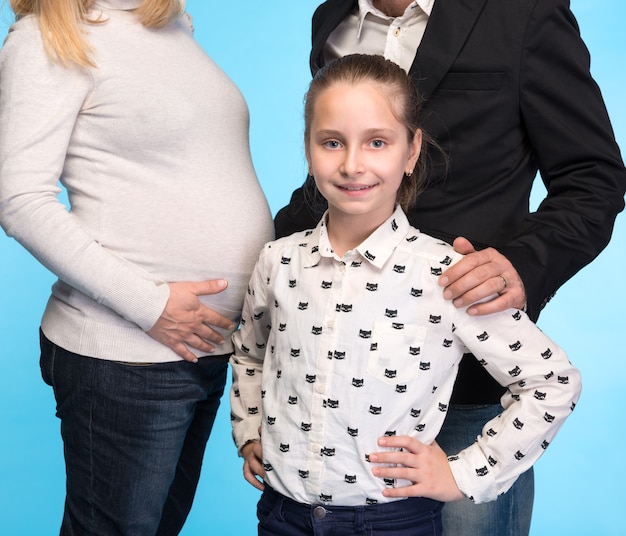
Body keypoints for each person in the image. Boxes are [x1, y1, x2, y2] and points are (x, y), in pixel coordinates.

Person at [273, 1, 626, 534]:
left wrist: (522, 265)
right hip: (337, 381)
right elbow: (345, 165)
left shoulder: (524, 12)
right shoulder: (331, 18)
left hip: (468, 373)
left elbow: (592, 177)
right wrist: (277, 255)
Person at [0, 0, 273, 534]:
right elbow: (18, 199)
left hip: (204, 347)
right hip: (123, 354)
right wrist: (150, 305)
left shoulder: (170, 25)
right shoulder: (45, 36)